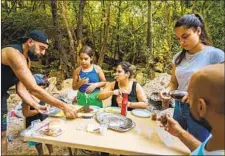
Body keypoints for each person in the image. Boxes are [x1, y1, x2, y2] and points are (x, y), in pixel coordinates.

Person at [1, 30, 77, 155]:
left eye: (45, 49)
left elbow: (21, 88)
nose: (43, 53)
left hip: (1, 95)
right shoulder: (13, 53)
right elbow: (34, 88)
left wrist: (35, 105)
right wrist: (63, 105)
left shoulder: (27, 61)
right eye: (41, 48)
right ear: (30, 42)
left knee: (2, 133)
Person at [159, 14, 224, 142]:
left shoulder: (215, 55)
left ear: (198, 31)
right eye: (178, 38)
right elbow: (173, 82)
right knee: (176, 144)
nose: (181, 42)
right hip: (179, 107)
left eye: (185, 36)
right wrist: (167, 90)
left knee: (198, 147)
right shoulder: (178, 57)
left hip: (201, 112)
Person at [159, 63, 225, 155]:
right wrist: (180, 132)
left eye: (189, 96)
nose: (187, 100)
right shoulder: (218, 138)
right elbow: (204, 152)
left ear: (201, 107)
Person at [22, 74, 53, 155]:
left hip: (44, 120)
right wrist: (38, 110)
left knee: (48, 138)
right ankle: (41, 154)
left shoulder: (42, 94)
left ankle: (51, 153)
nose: (44, 88)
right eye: (42, 86)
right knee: (37, 141)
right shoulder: (27, 98)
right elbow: (26, 113)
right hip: (33, 122)